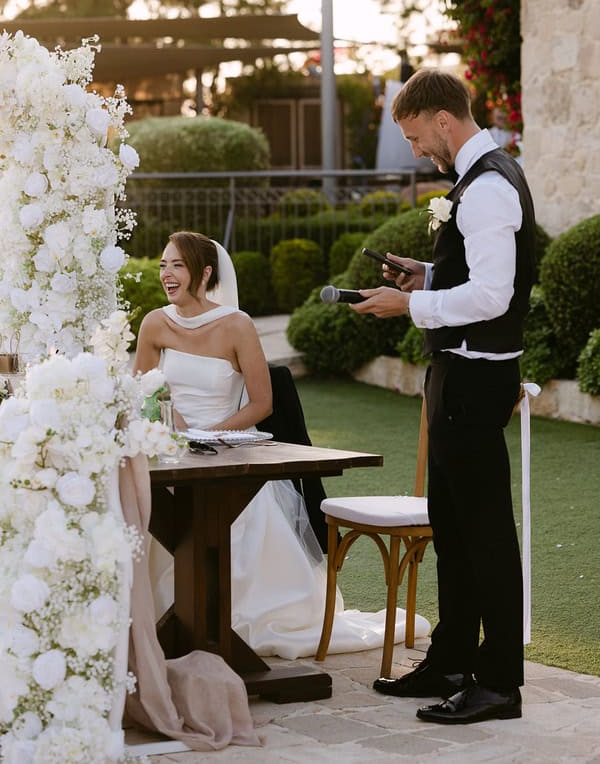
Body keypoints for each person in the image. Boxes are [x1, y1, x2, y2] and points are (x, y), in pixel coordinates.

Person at [134, 231, 430, 659]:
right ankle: (169, 622)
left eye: (176, 265)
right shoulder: (154, 324)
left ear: (205, 272)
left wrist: (212, 434)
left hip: (227, 447)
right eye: (163, 265)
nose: (166, 274)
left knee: (243, 514)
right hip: (171, 449)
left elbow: (262, 402)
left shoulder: (237, 325)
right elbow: (143, 389)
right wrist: (172, 426)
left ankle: (226, 625)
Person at [350, 70, 536, 725]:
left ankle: (499, 683)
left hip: (473, 379)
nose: (415, 149)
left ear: (443, 119)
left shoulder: (487, 186)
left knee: (484, 535)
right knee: (454, 531)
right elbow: (475, 278)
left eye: (415, 135)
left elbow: (495, 295)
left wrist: (412, 302)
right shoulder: (486, 176)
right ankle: (453, 659)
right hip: (458, 375)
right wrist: (427, 274)